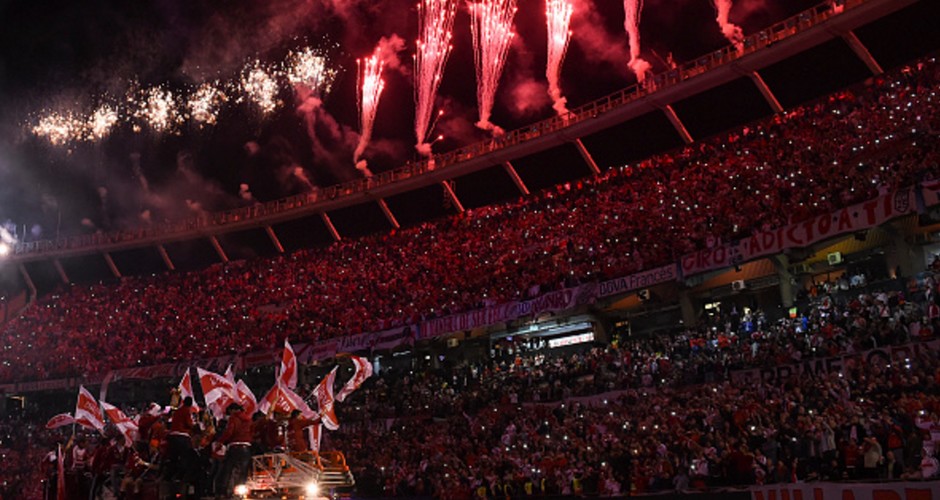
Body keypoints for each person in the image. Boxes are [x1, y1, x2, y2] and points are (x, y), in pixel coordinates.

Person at [216, 403, 254, 497]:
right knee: (243, 471)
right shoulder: (249, 419)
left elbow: (229, 432)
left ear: (233, 410)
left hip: (234, 446)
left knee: (228, 469)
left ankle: (223, 492)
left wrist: (220, 442)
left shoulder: (233, 418)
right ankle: (240, 492)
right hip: (246, 447)